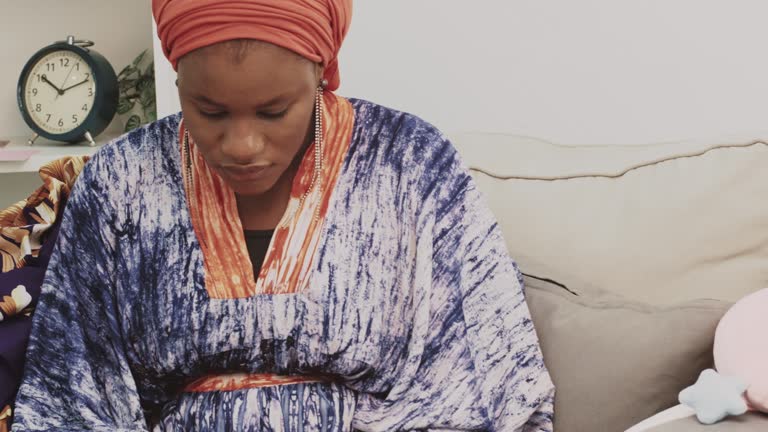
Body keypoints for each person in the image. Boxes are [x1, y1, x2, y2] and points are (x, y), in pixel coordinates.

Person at [12, 1, 554, 431]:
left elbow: (490, 383)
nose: (242, 145)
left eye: (274, 112)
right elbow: (69, 397)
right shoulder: (119, 182)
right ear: (177, 80)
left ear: (322, 72)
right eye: (211, 111)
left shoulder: (411, 165)